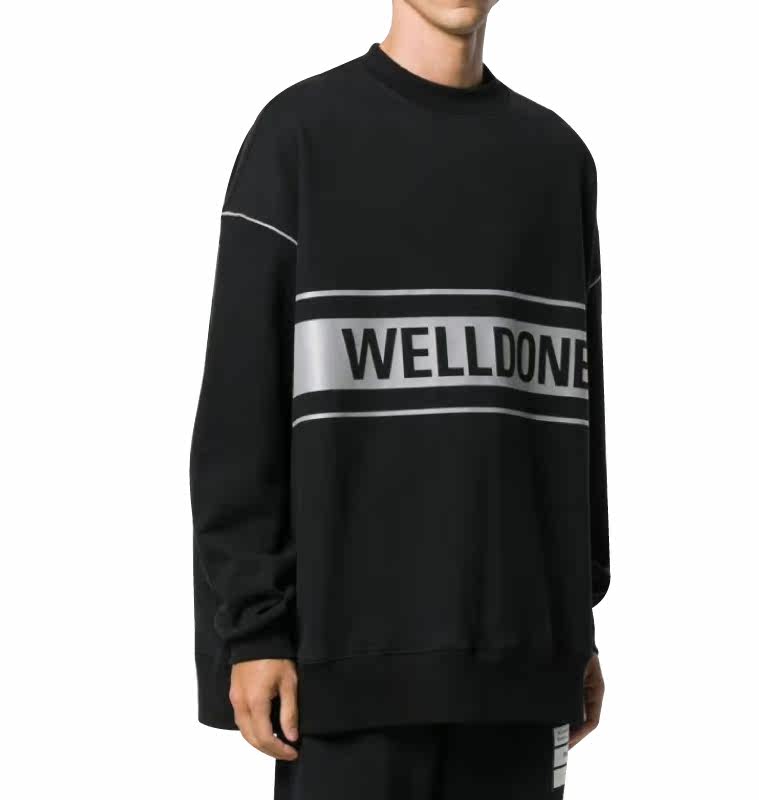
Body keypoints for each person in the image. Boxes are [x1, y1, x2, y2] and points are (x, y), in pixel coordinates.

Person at [190, 1, 610, 797]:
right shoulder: (299, 137)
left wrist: (574, 627)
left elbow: (573, 415)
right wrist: (253, 628)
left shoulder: (557, 159)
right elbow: (239, 411)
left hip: (520, 672)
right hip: (344, 677)